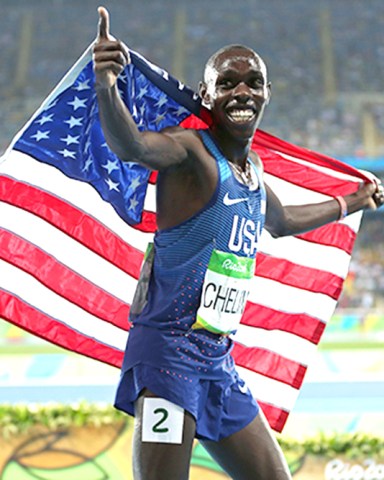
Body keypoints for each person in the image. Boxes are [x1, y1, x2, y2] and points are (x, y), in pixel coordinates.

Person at [93, 7, 384, 480]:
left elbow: (283, 220)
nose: (241, 92)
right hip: (167, 359)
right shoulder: (190, 152)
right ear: (207, 96)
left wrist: (354, 200)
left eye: (253, 82)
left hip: (216, 360)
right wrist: (107, 84)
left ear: (267, 92)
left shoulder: (251, 175)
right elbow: (134, 148)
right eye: (227, 83)